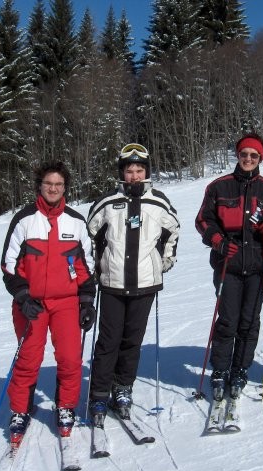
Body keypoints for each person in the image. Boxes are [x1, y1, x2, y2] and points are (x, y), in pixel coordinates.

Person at [0, 160, 97, 443]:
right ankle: (20, 410)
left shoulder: (76, 222)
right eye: (48, 184)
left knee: (69, 358)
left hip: (66, 303)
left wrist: (87, 301)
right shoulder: (24, 220)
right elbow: (9, 265)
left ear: (65, 187)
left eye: (58, 184)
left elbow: (85, 267)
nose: (53, 188)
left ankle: (65, 406)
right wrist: (22, 295)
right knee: (28, 358)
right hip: (32, 304)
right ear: (39, 186)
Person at [86, 143, 179, 425]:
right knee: (108, 341)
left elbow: (172, 233)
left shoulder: (159, 202)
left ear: (147, 171)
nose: (135, 176)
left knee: (132, 341)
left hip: (145, 284)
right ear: (122, 173)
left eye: (139, 170)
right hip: (112, 283)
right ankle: (99, 394)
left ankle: (122, 388)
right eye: (130, 171)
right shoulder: (107, 203)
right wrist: (95, 267)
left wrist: (164, 262)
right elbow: (89, 237)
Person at [195, 133, 263, 402]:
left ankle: (240, 369)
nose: (248, 159)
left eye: (254, 155)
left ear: (260, 159)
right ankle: (220, 370)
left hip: (259, 265)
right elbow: (203, 220)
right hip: (228, 267)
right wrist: (219, 241)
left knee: (249, 322)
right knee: (228, 321)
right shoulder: (219, 187)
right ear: (238, 155)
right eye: (244, 154)